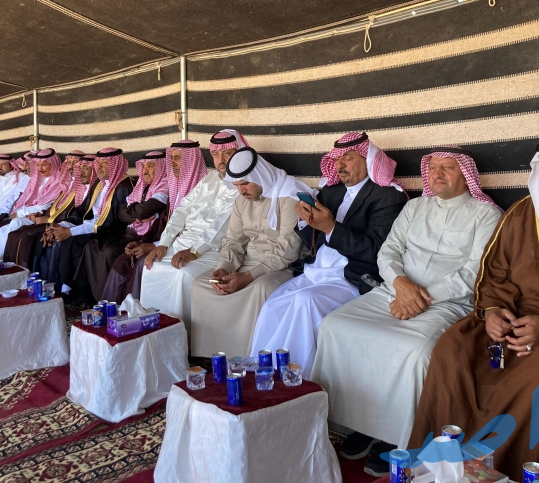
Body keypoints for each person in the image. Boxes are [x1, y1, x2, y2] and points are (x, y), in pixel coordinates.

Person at [409, 131, 539, 483]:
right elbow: (495, 274)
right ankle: (441, 467)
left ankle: (512, 473)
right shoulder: (522, 212)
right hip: (519, 312)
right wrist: (493, 311)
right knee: (453, 348)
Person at [313, 146, 501, 477]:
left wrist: (420, 297)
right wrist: (401, 285)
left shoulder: (486, 215)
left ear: (467, 175)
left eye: (448, 167)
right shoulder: (415, 207)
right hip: (393, 291)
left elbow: (474, 272)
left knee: (416, 350)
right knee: (334, 325)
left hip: (448, 302)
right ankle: (360, 423)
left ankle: (396, 437)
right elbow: (388, 252)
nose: (438, 173)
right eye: (434, 168)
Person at [250, 131, 408, 378]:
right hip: (315, 272)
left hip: (351, 278)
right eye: (337, 159)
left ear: (367, 159)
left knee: (305, 302)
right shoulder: (332, 192)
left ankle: (294, 380)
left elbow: (375, 250)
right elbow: (315, 241)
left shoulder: (388, 196)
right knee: (273, 305)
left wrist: (331, 227)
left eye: (348, 158)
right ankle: (260, 372)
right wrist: (305, 221)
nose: (340, 165)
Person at [190, 147, 309, 358]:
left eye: (245, 184)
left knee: (260, 289)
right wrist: (224, 268)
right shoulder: (241, 201)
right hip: (248, 262)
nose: (241, 191)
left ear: (261, 176)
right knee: (201, 285)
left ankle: (250, 359)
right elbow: (233, 241)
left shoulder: (289, 196)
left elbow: (288, 251)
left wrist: (247, 277)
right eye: (236, 185)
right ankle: (212, 358)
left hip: (283, 266)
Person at [139, 130, 245, 325]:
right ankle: (152, 330)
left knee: (182, 275)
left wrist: (195, 251)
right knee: (150, 268)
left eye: (227, 154)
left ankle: (182, 333)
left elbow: (222, 224)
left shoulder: (242, 184)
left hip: (214, 248)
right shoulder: (209, 179)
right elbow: (182, 209)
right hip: (183, 242)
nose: (221, 160)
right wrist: (163, 243)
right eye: (216, 154)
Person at [80, 150, 169, 302]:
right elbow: (122, 212)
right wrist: (136, 215)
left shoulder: (164, 186)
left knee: (109, 252)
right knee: (92, 246)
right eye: (143, 166)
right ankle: (93, 298)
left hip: (145, 236)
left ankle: (110, 301)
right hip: (129, 233)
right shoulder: (141, 185)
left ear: (161, 167)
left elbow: (142, 210)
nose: (145, 170)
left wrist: (132, 212)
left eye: (150, 166)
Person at [58, 148, 134, 306]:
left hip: (112, 233)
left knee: (80, 243)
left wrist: (71, 232)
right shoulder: (99, 184)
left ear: (115, 165)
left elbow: (108, 223)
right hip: (97, 228)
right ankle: (70, 289)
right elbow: (82, 211)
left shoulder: (123, 187)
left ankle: (87, 296)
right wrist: (61, 226)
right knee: (68, 240)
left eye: (105, 163)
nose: (99, 167)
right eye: (98, 163)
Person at [3, 152, 92, 268]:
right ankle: (12, 268)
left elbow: (77, 215)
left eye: (75, 163)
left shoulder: (84, 187)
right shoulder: (68, 184)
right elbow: (56, 206)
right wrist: (41, 214)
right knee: (14, 232)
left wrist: (50, 221)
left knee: (28, 236)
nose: (71, 167)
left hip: (67, 224)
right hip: (54, 219)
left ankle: (27, 272)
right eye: (69, 163)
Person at [0, 148, 63, 258]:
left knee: (15, 223)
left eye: (44, 165)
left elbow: (48, 205)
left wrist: (20, 213)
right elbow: (26, 200)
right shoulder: (36, 179)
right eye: (38, 165)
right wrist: (18, 212)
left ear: (52, 164)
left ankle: (9, 262)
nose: (40, 169)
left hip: (40, 215)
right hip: (25, 212)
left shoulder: (59, 181)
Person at [37, 155, 98, 294]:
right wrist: (57, 226)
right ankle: (51, 284)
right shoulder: (84, 188)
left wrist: (67, 231)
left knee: (62, 240)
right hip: (83, 227)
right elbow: (77, 215)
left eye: (86, 168)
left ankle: (61, 286)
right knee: (52, 235)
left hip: (98, 231)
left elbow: (99, 222)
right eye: (79, 168)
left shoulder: (97, 189)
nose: (81, 172)